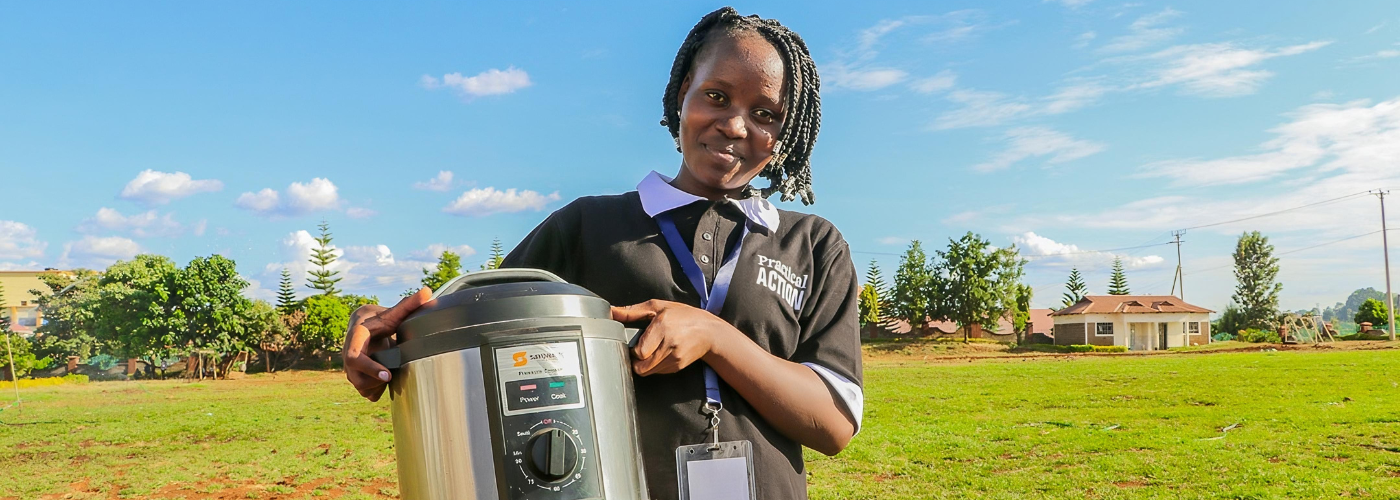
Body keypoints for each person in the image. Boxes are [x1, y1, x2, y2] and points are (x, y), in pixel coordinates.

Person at [342, 7, 862, 499]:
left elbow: (834, 423)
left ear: (784, 133)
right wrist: (382, 325)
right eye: (717, 96)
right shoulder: (590, 225)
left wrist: (714, 338)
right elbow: (477, 325)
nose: (735, 125)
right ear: (684, 93)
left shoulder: (813, 244)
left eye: (765, 113)